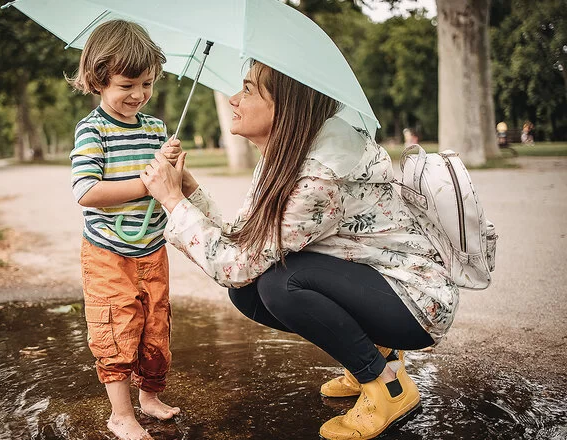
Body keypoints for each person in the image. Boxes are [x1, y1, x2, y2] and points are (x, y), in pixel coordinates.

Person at [141, 60, 459, 440]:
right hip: (378, 284)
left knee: (281, 285)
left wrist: (174, 202)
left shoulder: (320, 176)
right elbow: (244, 239)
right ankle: (378, 357)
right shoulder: (288, 154)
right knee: (249, 294)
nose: (233, 100)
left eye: (247, 90)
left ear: (283, 106)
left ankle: (386, 387)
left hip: (416, 302)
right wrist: (189, 190)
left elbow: (234, 265)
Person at [68, 19, 182, 440]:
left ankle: (149, 397)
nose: (138, 95)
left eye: (147, 84)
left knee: (156, 325)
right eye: (127, 85)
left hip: (151, 248)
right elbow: (85, 191)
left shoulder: (155, 129)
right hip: (108, 251)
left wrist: (171, 163)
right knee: (116, 325)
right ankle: (120, 414)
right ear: (98, 80)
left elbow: (168, 183)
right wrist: (144, 183)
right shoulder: (93, 130)